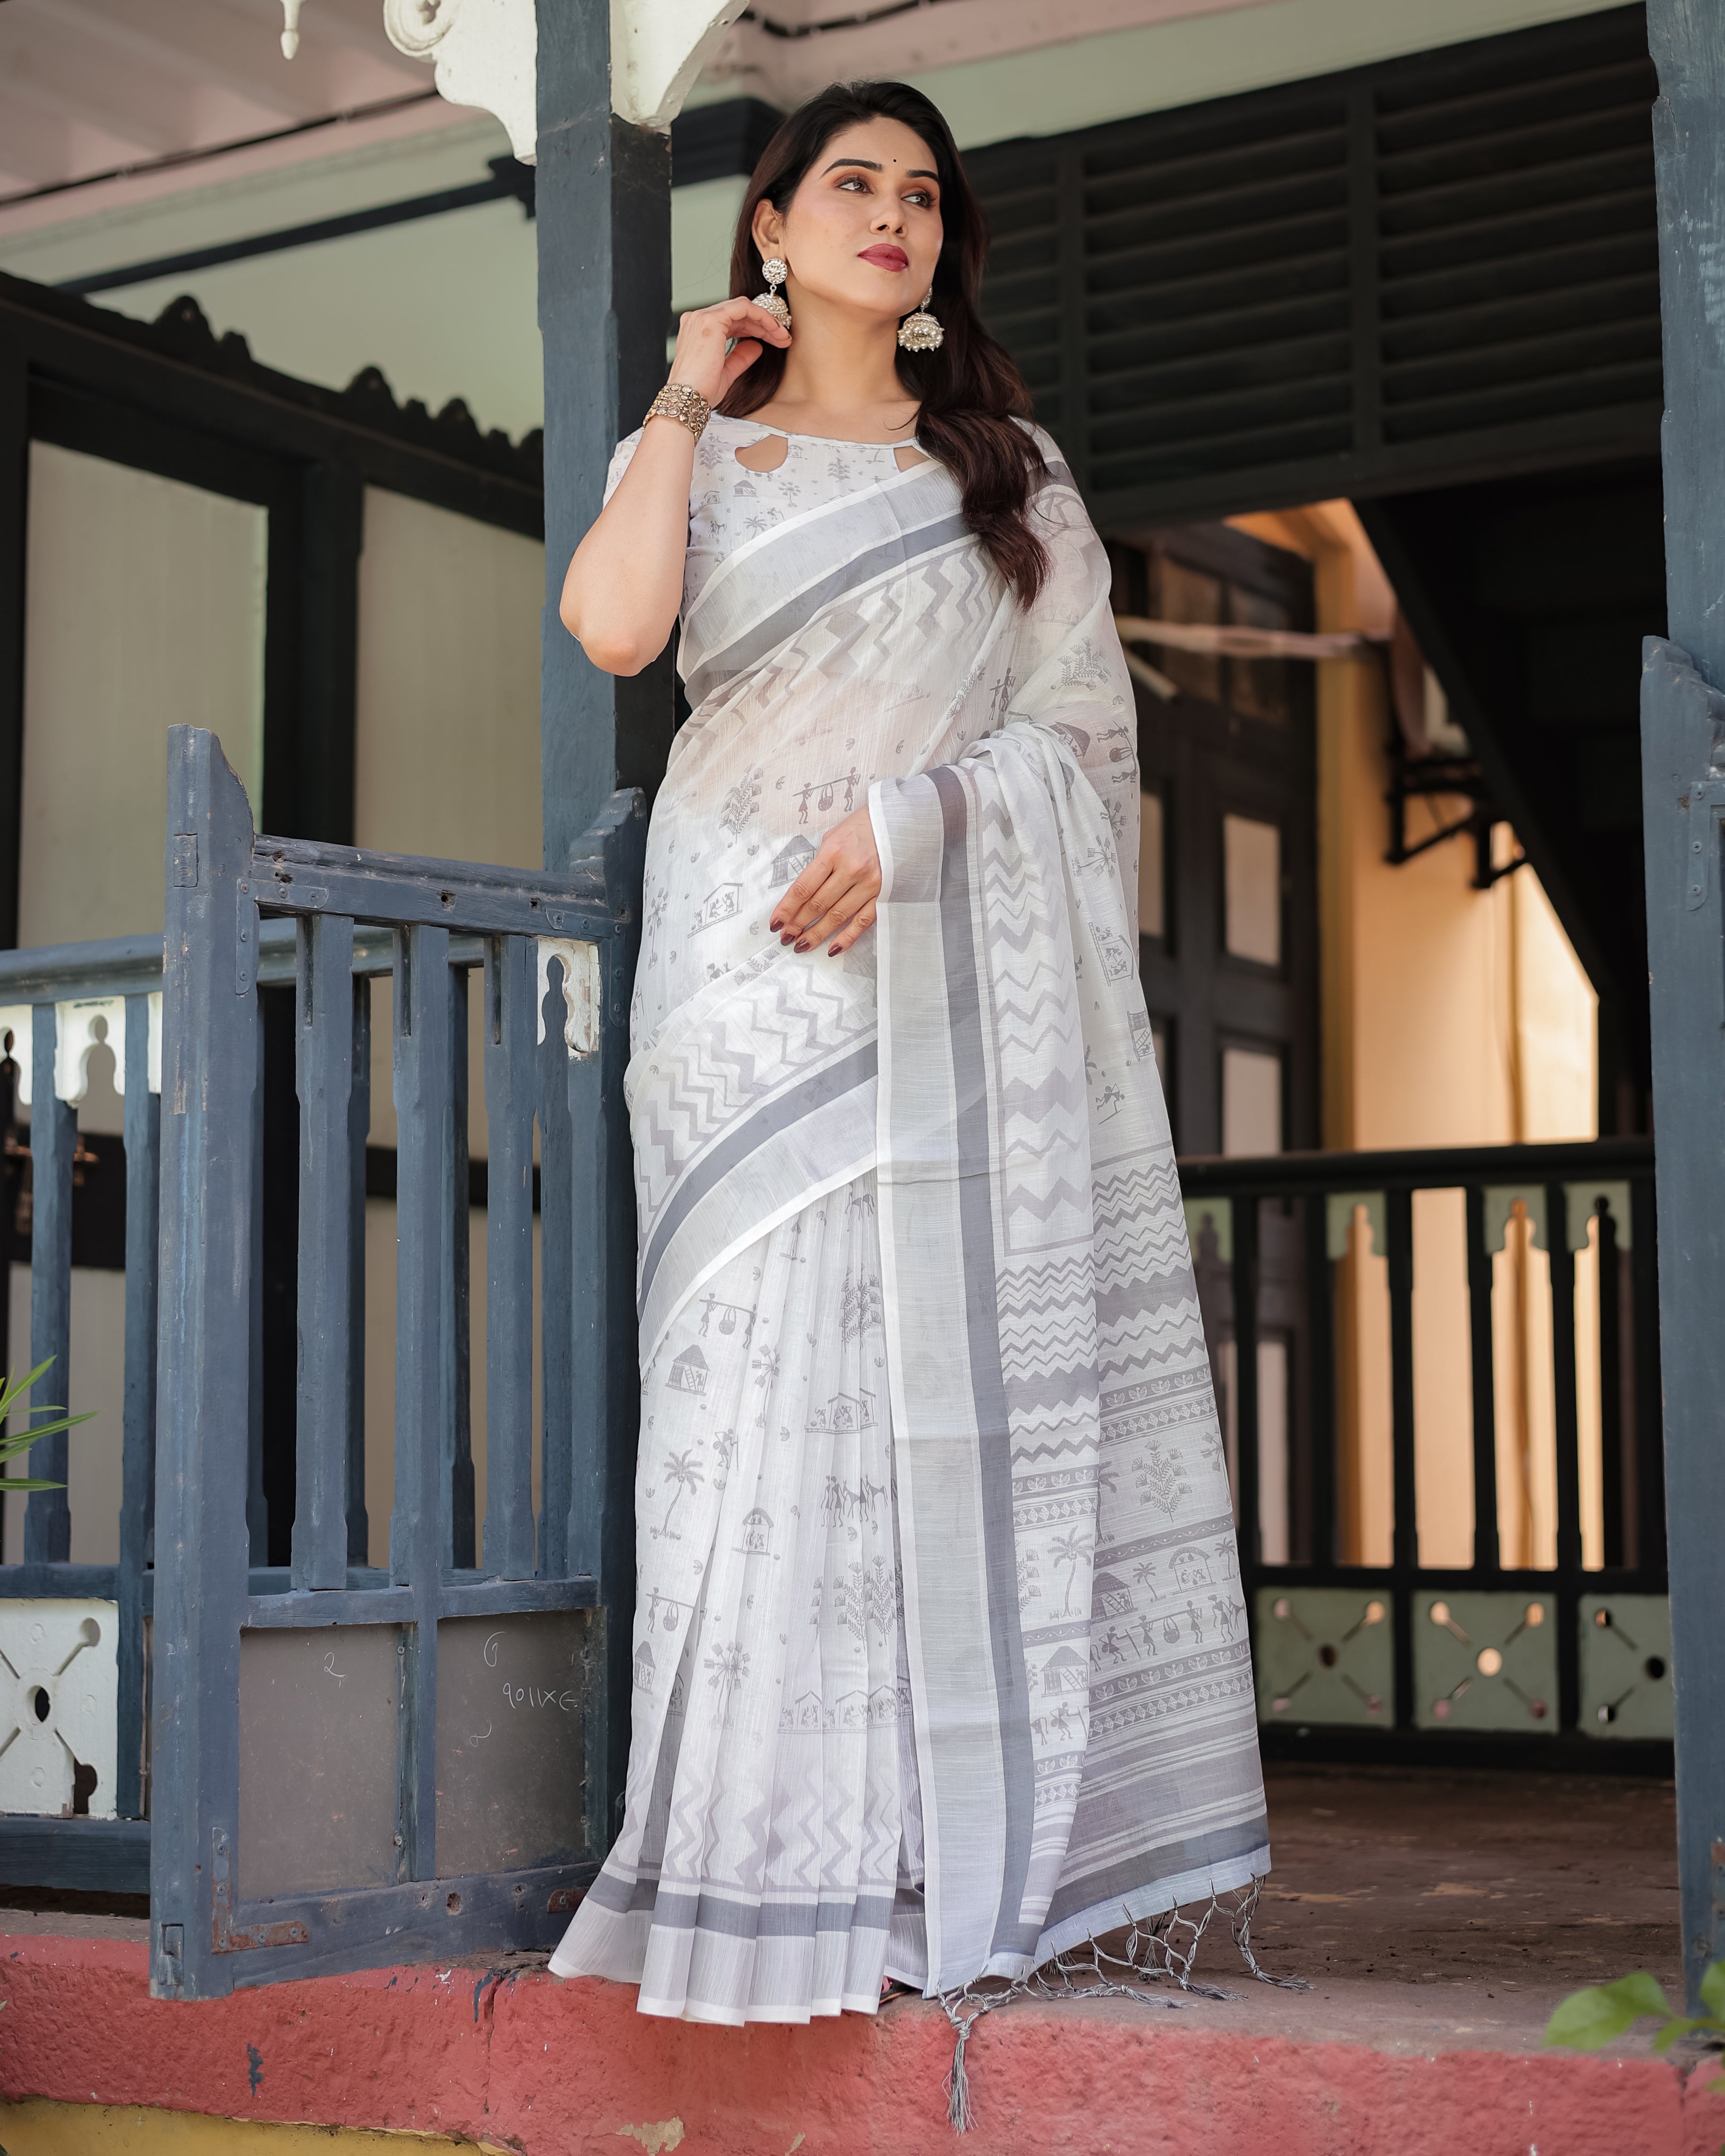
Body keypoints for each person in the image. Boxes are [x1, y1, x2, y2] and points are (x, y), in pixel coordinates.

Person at [548, 78, 1272, 2053]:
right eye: (849, 185)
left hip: (933, 961)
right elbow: (613, 628)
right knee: (752, 1416)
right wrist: (689, 393)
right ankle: (753, 1857)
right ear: (769, 228)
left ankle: (920, 1858)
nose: (893, 216)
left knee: (925, 1403)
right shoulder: (702, 444)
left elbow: (1084, 744)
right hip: (738, 985)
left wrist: (925, 820)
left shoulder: (1006, 473)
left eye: (921, 196)